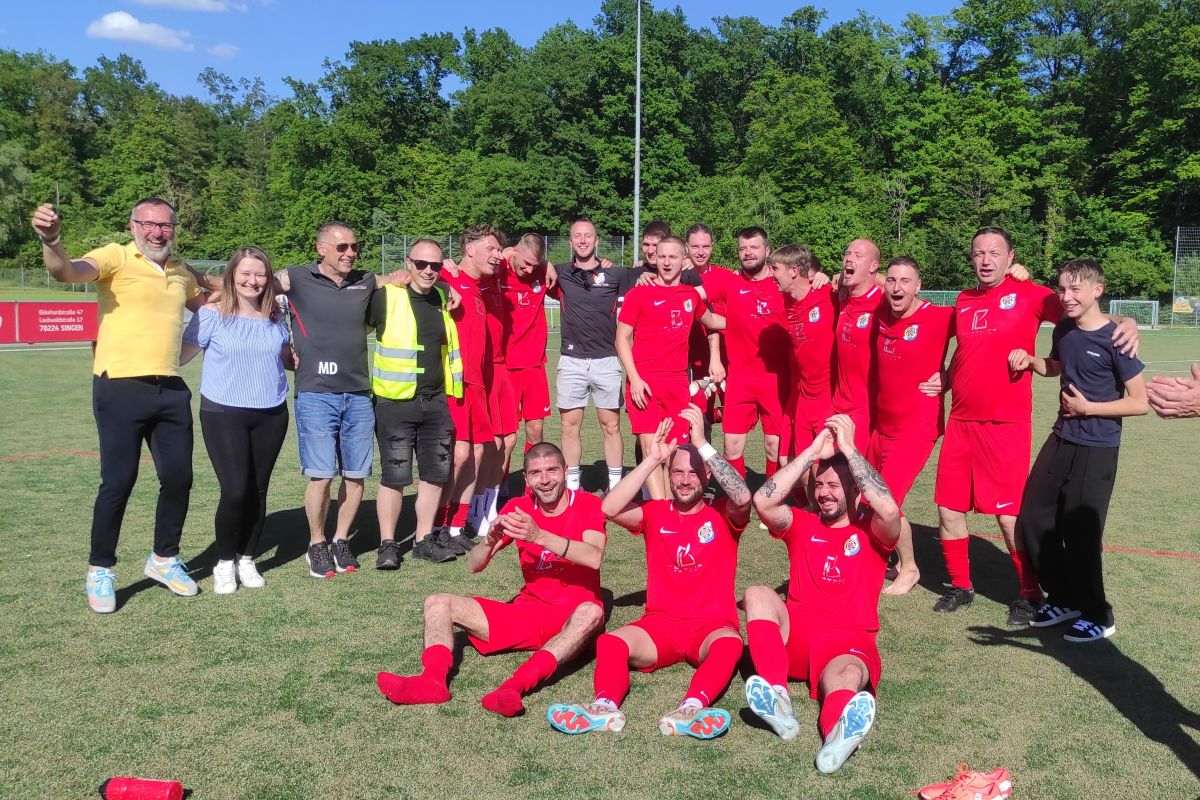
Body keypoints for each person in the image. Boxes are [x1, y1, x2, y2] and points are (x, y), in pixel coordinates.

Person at [932, 226, 1139, 623]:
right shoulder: (963, 300)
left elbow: (1084, 309)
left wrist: (1125, 322)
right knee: (948, 508)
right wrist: (945, 377)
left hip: (1006, 425)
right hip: (961, 421)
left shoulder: (1031, 294)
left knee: (1010, 516)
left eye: (995, 252)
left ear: (1011, 257)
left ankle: (1029, 592)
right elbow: (964, 353)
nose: (986, 260)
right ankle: (961, 586)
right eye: (978, 253)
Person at [33, 197, 204, 612]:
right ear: (133, 226)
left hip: (170, 388)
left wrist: (193, 343)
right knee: (118, 482)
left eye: (165, 226)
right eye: (149, 224)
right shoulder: (115, 257)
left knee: (179, 479)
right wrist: (51, 240)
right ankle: (100, 569)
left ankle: (164, 559)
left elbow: (214, 305)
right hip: (118, 387)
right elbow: (67, 271)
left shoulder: (182, 272)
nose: (157, 232)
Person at [548, 407, 750, 739]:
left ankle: (691, 709)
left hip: (711, 625)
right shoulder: (655, 513)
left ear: (708, 476)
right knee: (612, 643)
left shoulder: (722, 515)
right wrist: (652, 459)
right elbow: (609, 508)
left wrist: (701, 444)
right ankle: (604, 708)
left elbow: (742, 495)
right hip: (662, 625)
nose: (685, 480)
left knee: (729, 645)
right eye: (678, 472)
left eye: (694, 472)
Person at [376, 443, 606, 717]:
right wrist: (488, 542)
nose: (544, 480)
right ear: (526, 478)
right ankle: (432, 682)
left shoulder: (589, 504)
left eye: (552, 470)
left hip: (573, 620)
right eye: (536, 473)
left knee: (592, 611)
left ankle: (512, 688)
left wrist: (539, 536)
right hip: (529, 612)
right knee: (437, 602)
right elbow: (474, 566)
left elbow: (594, 557)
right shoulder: (518, 507)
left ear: (565, 471)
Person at [744, 415, 901, 774]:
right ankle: (778, 697)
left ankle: (835, 739)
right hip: (797, 636)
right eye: (819, 485)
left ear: (855, 490)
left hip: (847, 644)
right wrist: (814, 451)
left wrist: (848, 448)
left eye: (834, 485)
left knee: (845, 678)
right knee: (757, 593)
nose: (824, 493)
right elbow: (762, 502)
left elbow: (889, 509)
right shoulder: (803, 525)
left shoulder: (873, 532)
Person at [1010, 258, 1148, 642]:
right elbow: (1057, 365)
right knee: (1034, 517)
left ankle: (1098, 613)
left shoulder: (1117, 339)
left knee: (1082, 532)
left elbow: (1140, 402)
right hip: (1062, 436)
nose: (1066, 297)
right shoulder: (1066, 329)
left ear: (1096, 291)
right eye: (1062, 289)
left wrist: (1090, 408)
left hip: (1098, 445)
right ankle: (1066, 597)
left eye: (1075, 289)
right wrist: (1032, 361)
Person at [181, 246, 291, 594]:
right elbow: (180, 356)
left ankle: (247, 558)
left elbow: (288, 358)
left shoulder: (276, 315)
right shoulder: (212, 314)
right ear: (231, 276)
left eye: (259, 274)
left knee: (259, 490)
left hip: (272, 412)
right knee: (235, 490)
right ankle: (224, 562)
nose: (252, 280)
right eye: (245, 273)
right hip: (223, 412)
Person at [279, 222, 377, 578]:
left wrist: (448, 277)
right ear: (321, 248)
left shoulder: (366, 281)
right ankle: (316, 544)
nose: (350, 253)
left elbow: (404, 276)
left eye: (355, 246)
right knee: (321, 476)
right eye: (342, 247)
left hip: (358, 395)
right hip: (316, 394)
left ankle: (340, 539)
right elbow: (250, 283)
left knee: (355, 475)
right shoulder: (296, 278)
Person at [370, 239, 463, 569]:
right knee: (395, 476)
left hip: (435, 401)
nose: (428, 271)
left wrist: (449, 284)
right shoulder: (387, 296)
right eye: (421, 264)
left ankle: (423, 540)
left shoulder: (441, 296)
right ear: (408, 262)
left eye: (435, 266)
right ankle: (388, 544)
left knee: (435, 474)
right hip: (395, 401)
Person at [868, 258, 954, 596]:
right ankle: (881, 559)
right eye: (891, 280)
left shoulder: (939, 316)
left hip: (916, 427)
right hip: (881, 425)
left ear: (919, 286)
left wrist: (949, 376)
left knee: (887, 498)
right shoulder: (880, 312)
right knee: (869, 497)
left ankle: (910, 568)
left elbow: (981, 345)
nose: (897, 287)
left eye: (906, 281)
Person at [615, 237, 726, 498]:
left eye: (672, 257)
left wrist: (752, 321)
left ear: (683, 260)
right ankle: (659, 509)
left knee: (674, 450)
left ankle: (672, 506)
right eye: (661, 256)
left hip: (677, 383)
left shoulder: (690, 295)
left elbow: (712, 321)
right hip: (644, 382)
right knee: (651, 448)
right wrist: (635, 379)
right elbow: (621, 339)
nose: (665, 262)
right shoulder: (639, 294)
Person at [552, 218, 638, 492]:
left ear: (597, 240)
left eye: (588, 236)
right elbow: (522, 264)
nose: (583, 240)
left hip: (607, 360)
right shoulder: (560, 272)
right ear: (570, 242)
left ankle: (616, 484)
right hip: (571, 361)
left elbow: (650, 271)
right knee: (569, 425)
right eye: (577, 236)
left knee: (610, 425)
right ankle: (572, 486)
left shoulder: (616, 275)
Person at [435, 225, 504, 553]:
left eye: (498, 249)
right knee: (459, 455)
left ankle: (458, 525)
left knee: (476, 454)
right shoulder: (447, 278)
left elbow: (521, 255)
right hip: (456, 382)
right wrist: (439, 269)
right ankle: (438, 523)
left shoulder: (478, 287)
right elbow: (414, 275)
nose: (497, 254)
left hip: (478, 385)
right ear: (469, 249)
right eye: (491, 248)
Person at [704, 227, 791, 478]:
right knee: (731, 445)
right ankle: (737, 505)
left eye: (754, 248)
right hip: (740, 378)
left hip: (776, 379)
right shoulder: (729, 283)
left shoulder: (782, 283)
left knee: (774, 447)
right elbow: (694, 295)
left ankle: (771, 505)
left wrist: (824, 277)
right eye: (743, 249)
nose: (748, 253)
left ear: (767, 250)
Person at [769, 245, 835, 460]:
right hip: (801, 395)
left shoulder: (828, 294)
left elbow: (873, 286)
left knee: (823, 464)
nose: (771, 274)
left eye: (775, 268)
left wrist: (839, 276)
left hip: (827, 397)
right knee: (796, 463)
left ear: (794, 270)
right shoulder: (786, 300)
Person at [500, 234, 553, 450]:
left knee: (536, 429)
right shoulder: (497, 270)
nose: (530, 270)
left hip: (534, 365)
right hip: (505, 366)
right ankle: (498, 483)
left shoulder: (541, 272)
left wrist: (549, 265)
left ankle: (532, 483)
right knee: (507, 435)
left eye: (535, 265)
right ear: (515, 251)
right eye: (526, 263)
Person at [832, 239, 885, 453]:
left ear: (873, 266)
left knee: (858, 472)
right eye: (847, 253)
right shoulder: (842, 298)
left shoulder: (884, 301)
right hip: (837, 401)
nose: (850, 258)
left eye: (858, 255)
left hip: (866, 408)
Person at [684, 224, 733, 428]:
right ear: (686, 247)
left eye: (705, 246)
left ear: (713, 246)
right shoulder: (675, 275)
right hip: (691, 360)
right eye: (695, 246)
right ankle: (699, 460)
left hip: (725, 358)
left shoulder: (727, 277)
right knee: (698, 421)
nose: (701, 252)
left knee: (732, 421)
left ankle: (727, 461)